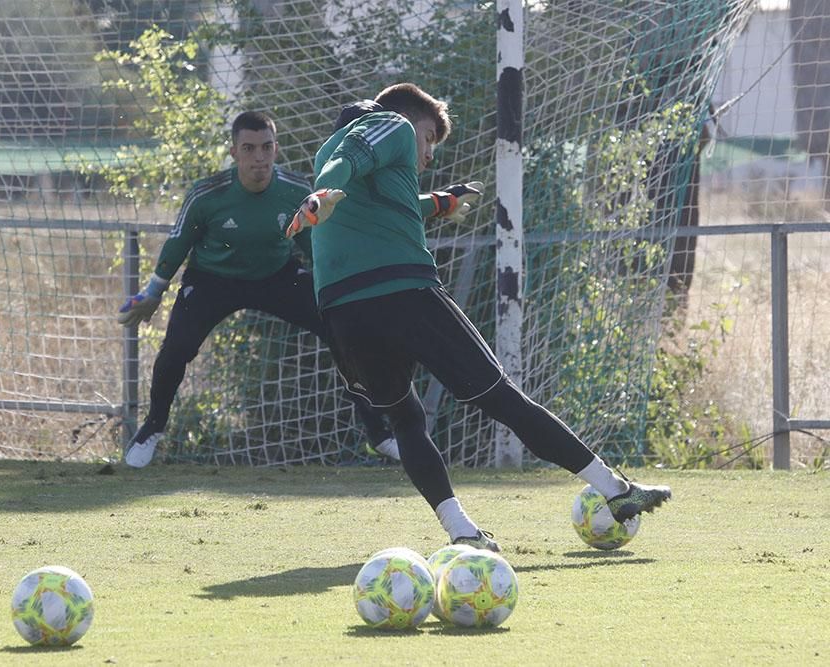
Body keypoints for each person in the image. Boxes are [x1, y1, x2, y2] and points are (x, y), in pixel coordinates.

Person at [286, 83, 671, 551]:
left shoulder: (343, 152)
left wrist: (439, 202)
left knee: (407, 422)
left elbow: (369, 194)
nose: (427, 153)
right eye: (430, 137)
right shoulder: (392, 124)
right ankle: (616, 489)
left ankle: (462, 531)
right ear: (408, 119)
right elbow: (343, 165)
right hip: (405, 293)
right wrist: (322, 193)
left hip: (344, 311)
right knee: (504, 400)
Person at [117, 110, 397, 468]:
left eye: (266, 147)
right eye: (249, 149)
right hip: (212, 280)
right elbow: (178, 243)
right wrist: (154, 292)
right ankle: (153, 427)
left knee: (345, 329)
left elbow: (317, 247)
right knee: (177, 347)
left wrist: (344, 292)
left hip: (277, 276)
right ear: (234, 153)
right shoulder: (207, 195)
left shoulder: (297, 191)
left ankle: (379, 432)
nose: (259, 158)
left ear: (276, 149)